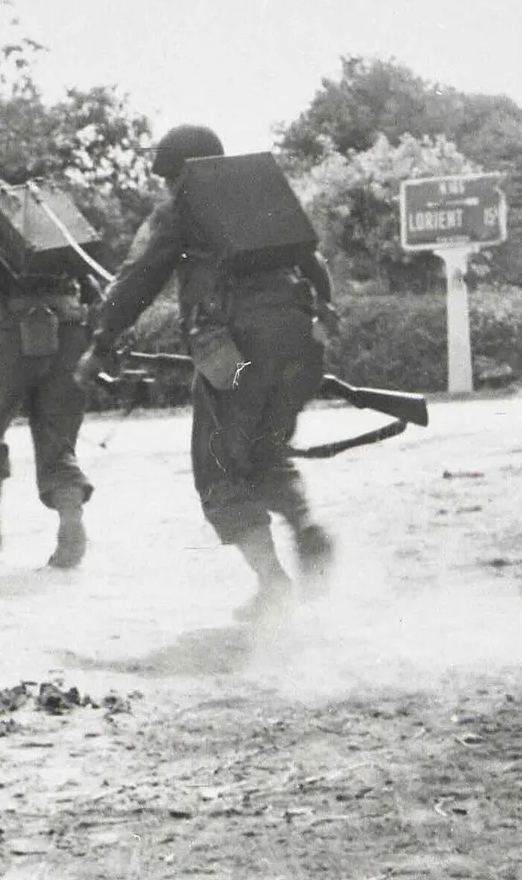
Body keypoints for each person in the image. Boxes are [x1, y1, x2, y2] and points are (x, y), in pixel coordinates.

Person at [76, 126, 340, 623]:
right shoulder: (259, 195)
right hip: (299, 340)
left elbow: (138, 280)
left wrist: (99, 345)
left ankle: (272, 583)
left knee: (218, 464)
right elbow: (314, 262)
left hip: (235, 348)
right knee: (267, 447)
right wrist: (322, 311)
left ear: (174, 172)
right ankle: (305, 525)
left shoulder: (181, 208)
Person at [0, 177, 98, 570]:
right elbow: (90, 284)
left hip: (20, 332)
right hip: (70, 331)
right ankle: (71, 525)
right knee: (57, 438)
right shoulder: (48, 225)